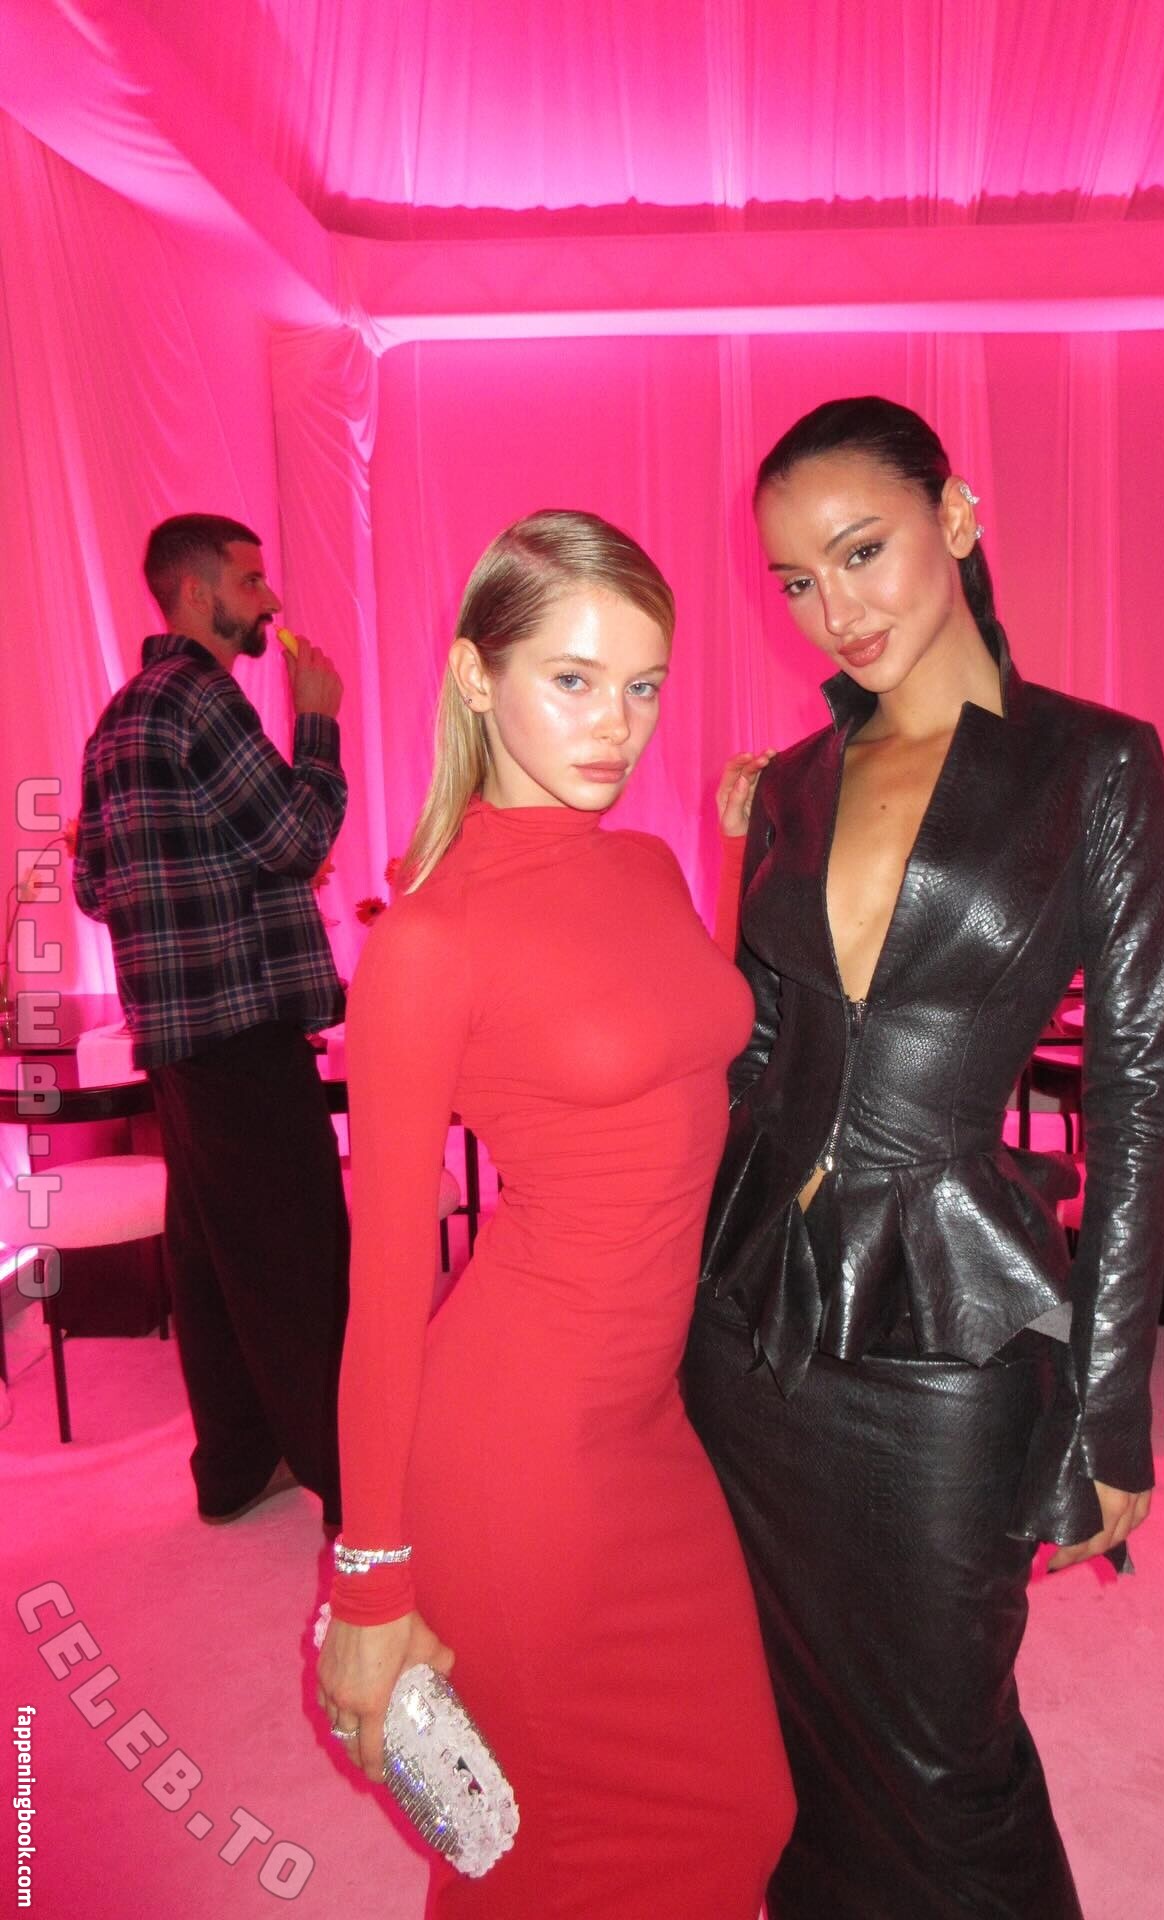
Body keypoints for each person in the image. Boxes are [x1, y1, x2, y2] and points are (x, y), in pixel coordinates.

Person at [683, 397, 1164, 1919]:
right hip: (749, 1315)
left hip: (951, 1330)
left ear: (956, 519)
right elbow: (754, 1059)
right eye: (796, 580)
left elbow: (1137, 1092)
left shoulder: (1095, 764)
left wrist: (1108, 1411)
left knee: (947, 1750)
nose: (834, 610)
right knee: (787, 1712)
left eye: (862, 552)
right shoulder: (787, 784)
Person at [315, 510, 794, 1919]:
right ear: (479, 676)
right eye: (572, 680)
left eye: (642, 685)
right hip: (517, 1450)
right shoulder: (426, 943)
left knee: (740, 1807)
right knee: (557, 1859)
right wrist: (369, 1586)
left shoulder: (643, 867)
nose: (616, 725)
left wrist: (734, 857)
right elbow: (383, 1293)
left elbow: (679, 1026)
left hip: (648, 1423)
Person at [73, 513, 348, 1528]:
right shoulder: (205, 696)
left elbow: (95, 888)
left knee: (213, 1262)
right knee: (298, 1261)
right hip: (242, 1031)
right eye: (250, 580)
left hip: (178, 1046)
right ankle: (355, 1491)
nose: (269, 601)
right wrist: (317, 723)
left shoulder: (118, 717)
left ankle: (236, 1469)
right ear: (196, 594)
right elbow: (298, 834)